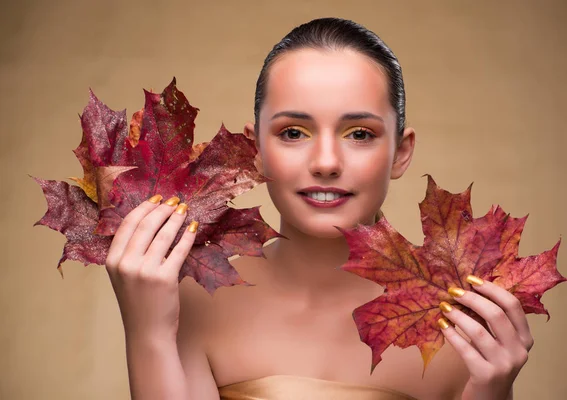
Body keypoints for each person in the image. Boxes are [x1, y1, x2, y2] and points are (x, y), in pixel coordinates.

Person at [105, 17, 533, 400]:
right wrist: (149, 335)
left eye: (359, 134)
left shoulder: (463, 327)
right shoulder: (194, 307)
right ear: (255, 150)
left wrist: (492, 391)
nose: (326, 162)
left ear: (401, 153)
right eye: (293, 132)